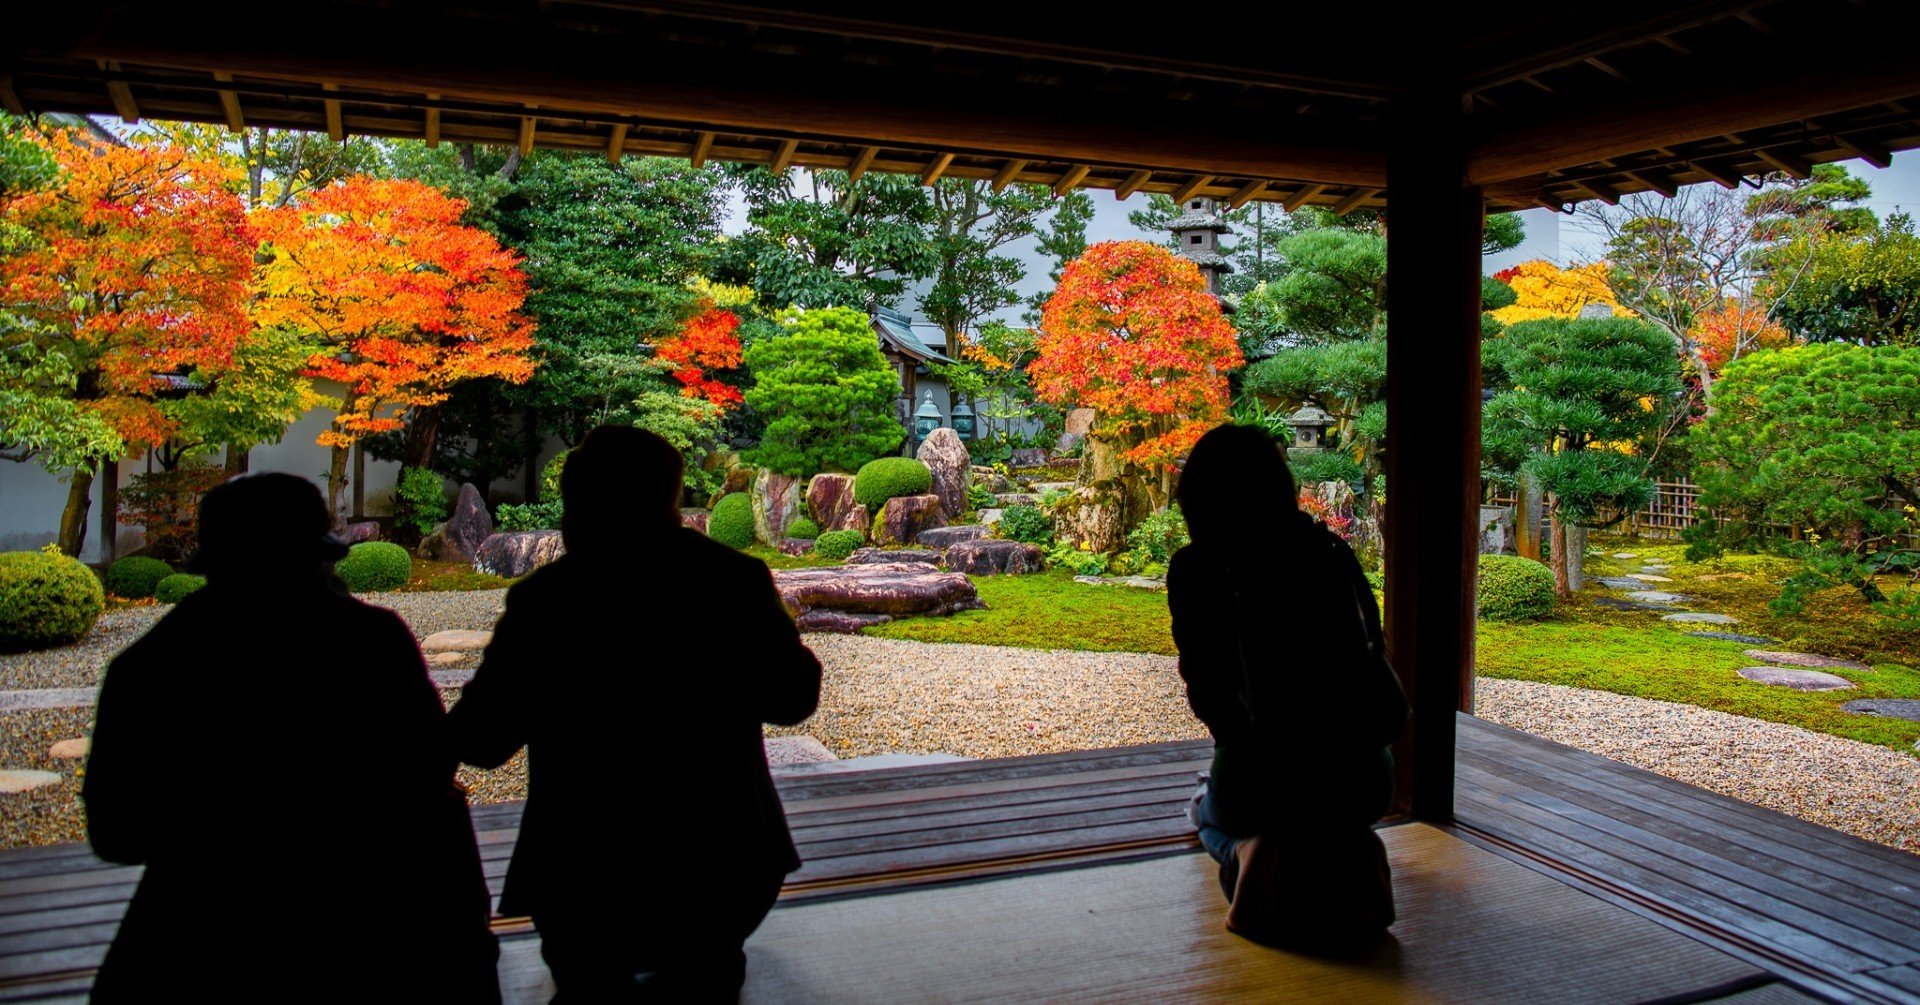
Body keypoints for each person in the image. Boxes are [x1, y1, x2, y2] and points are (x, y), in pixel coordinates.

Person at [82, 473, 500, 1002]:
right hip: (375, 919)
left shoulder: (150, 666)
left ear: (213, 563)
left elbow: (115, 831)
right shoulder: (371, 643)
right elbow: (430, 768)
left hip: (195, 928)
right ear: (318, 557)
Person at [448, 425, 822, 1002]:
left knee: (589, 976)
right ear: (669, 497)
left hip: (582, 875)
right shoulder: (732, 580)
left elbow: (481, 739)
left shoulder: (548, 600)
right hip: (722, 865)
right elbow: (794, 699)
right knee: (706, 972)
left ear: (579, 506)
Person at [1167, 424, 1409, 952]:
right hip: (1365, 775)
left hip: (1263, 776)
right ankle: (1354, 845)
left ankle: (1247, 851)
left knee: (1208, 813)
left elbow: (1208, 691)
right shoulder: (1330, 552)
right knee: (1328, 811)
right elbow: (1374, 654)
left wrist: (1247, 751)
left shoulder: (1197, 568)